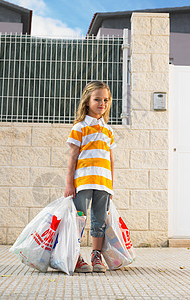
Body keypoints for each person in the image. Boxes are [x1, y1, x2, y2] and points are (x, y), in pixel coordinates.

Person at [64, 81, 116, 273]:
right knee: (79, 219)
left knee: (99, 220)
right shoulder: (80, 127)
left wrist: (111, 186)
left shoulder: (109, 131)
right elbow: (73, 158)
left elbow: (110, 161)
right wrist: (69, 184)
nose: (102, 103)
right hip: (83, 182)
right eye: (97, 99)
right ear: (87, 101)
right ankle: (75, 256)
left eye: (105, 100)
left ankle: (96, 256)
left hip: (103, 183)